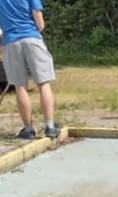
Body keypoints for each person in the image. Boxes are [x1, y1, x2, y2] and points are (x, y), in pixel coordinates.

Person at [0, 0, 60, 139]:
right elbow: (40, 23)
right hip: (32, 38)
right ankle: (50, 126)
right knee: (43, 83)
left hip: (10, 42)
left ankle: (28, 129)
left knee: (20, 86)